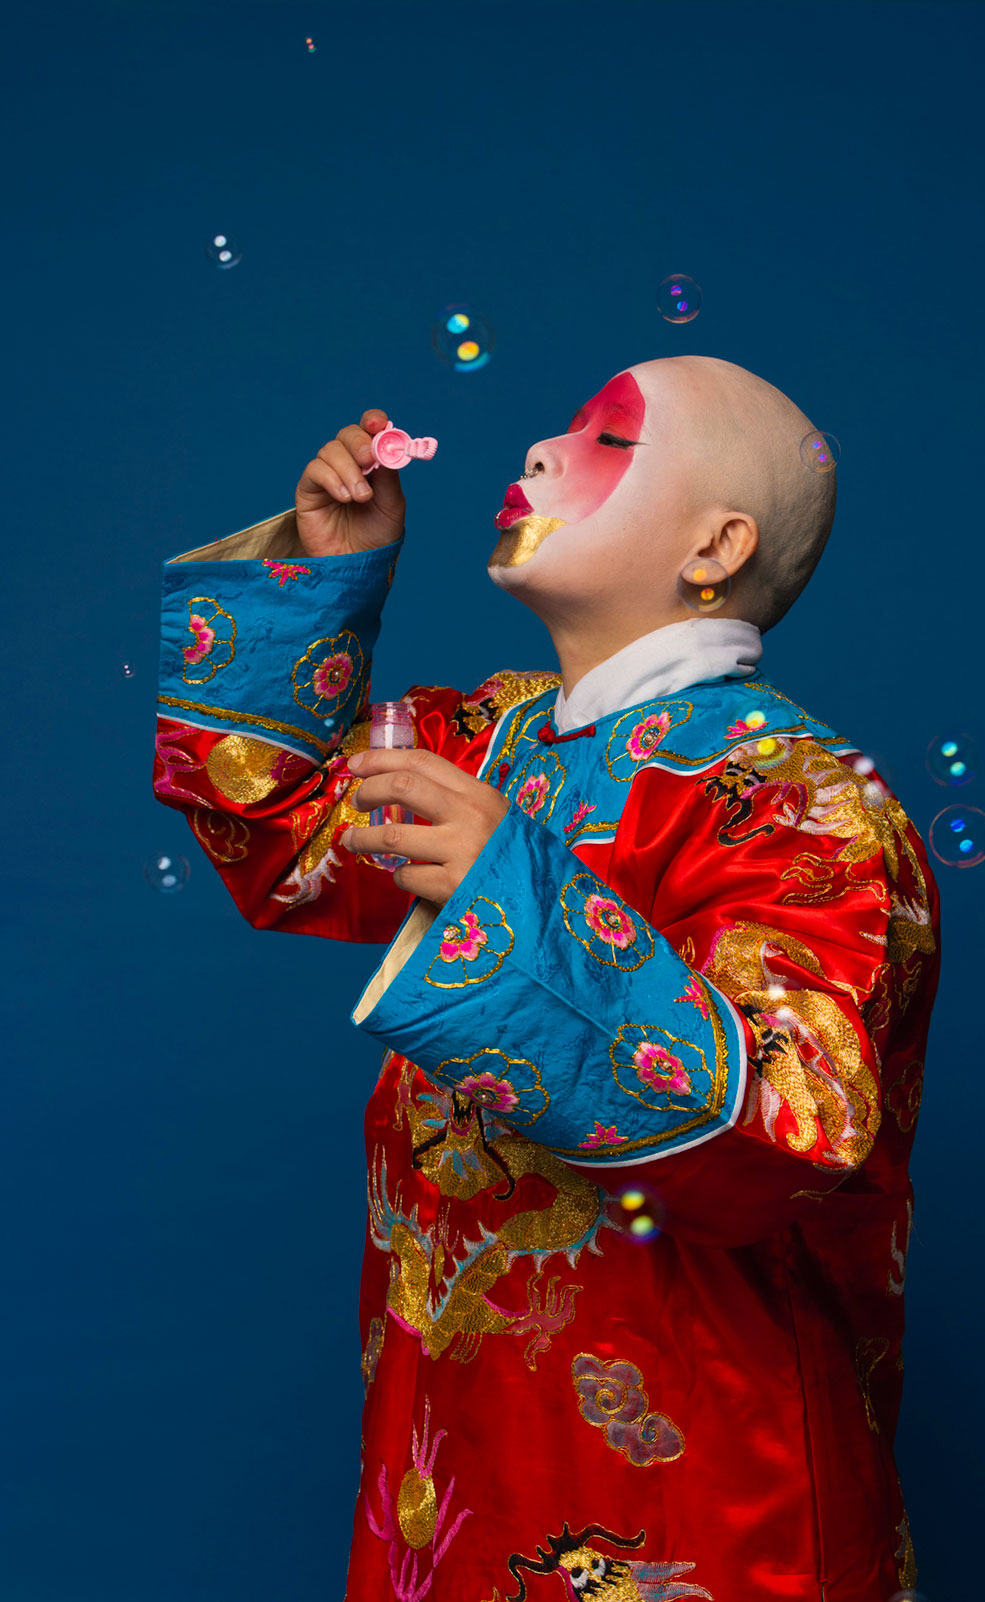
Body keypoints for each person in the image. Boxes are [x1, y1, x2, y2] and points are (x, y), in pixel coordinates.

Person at [153, 355, 939, 1601]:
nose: (539, 452)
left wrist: (500, 890)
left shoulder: (803, 798)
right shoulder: (493, 738)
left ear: (716, 543)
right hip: (456, 1446)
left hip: (700, 1468)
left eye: (607, 440)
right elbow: (283, 828)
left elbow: (796, 1126)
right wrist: (330, 571)